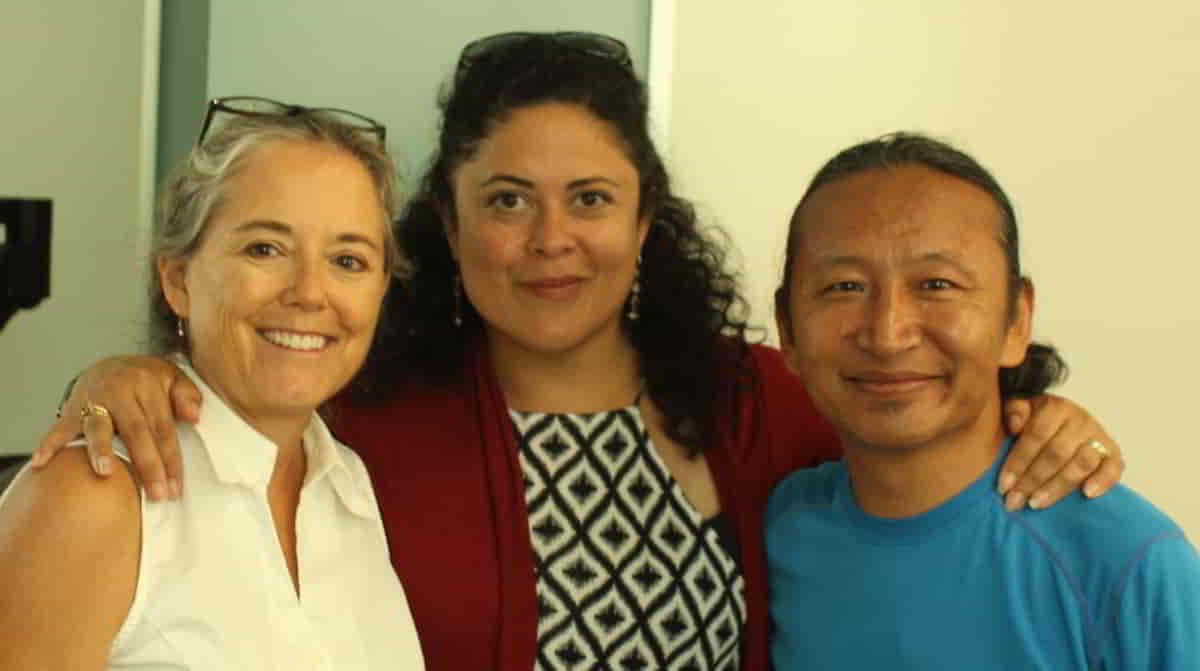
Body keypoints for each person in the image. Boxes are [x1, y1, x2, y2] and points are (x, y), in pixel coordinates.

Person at [35, 35, 1123, 671]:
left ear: (646, 222)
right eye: (506, 200)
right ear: (448, 231)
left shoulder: (770, 402)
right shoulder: (363, 420)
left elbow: (920, 422)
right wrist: (116, 374)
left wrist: (1040, 412)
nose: (551, 239)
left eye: (590, 199)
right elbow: (239, 384)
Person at [0, 99, 426, 670]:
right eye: (265, 249)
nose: (308, 292)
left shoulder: (349, 488)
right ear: (177, 280)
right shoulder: (93, 495)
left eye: (347, 260)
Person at [767, 132, 1200, 669]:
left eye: (937, 284)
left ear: (1016, 320)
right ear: (787, 328)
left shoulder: (1125, 561)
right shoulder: (782, 527)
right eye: (844, 287)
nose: (887, 333)